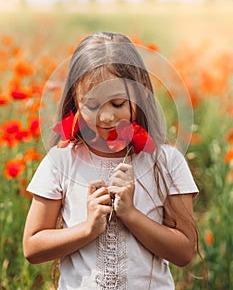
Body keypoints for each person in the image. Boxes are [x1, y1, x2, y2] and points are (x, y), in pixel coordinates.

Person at [23, 32, 199, 290]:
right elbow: (32, 247)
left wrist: (131, 215)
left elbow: (184, 252)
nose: (105, 117)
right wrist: (88, 228)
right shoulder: (62, 161)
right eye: (92, 105)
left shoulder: (166, 162)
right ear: (75, 100)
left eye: (117, 103)